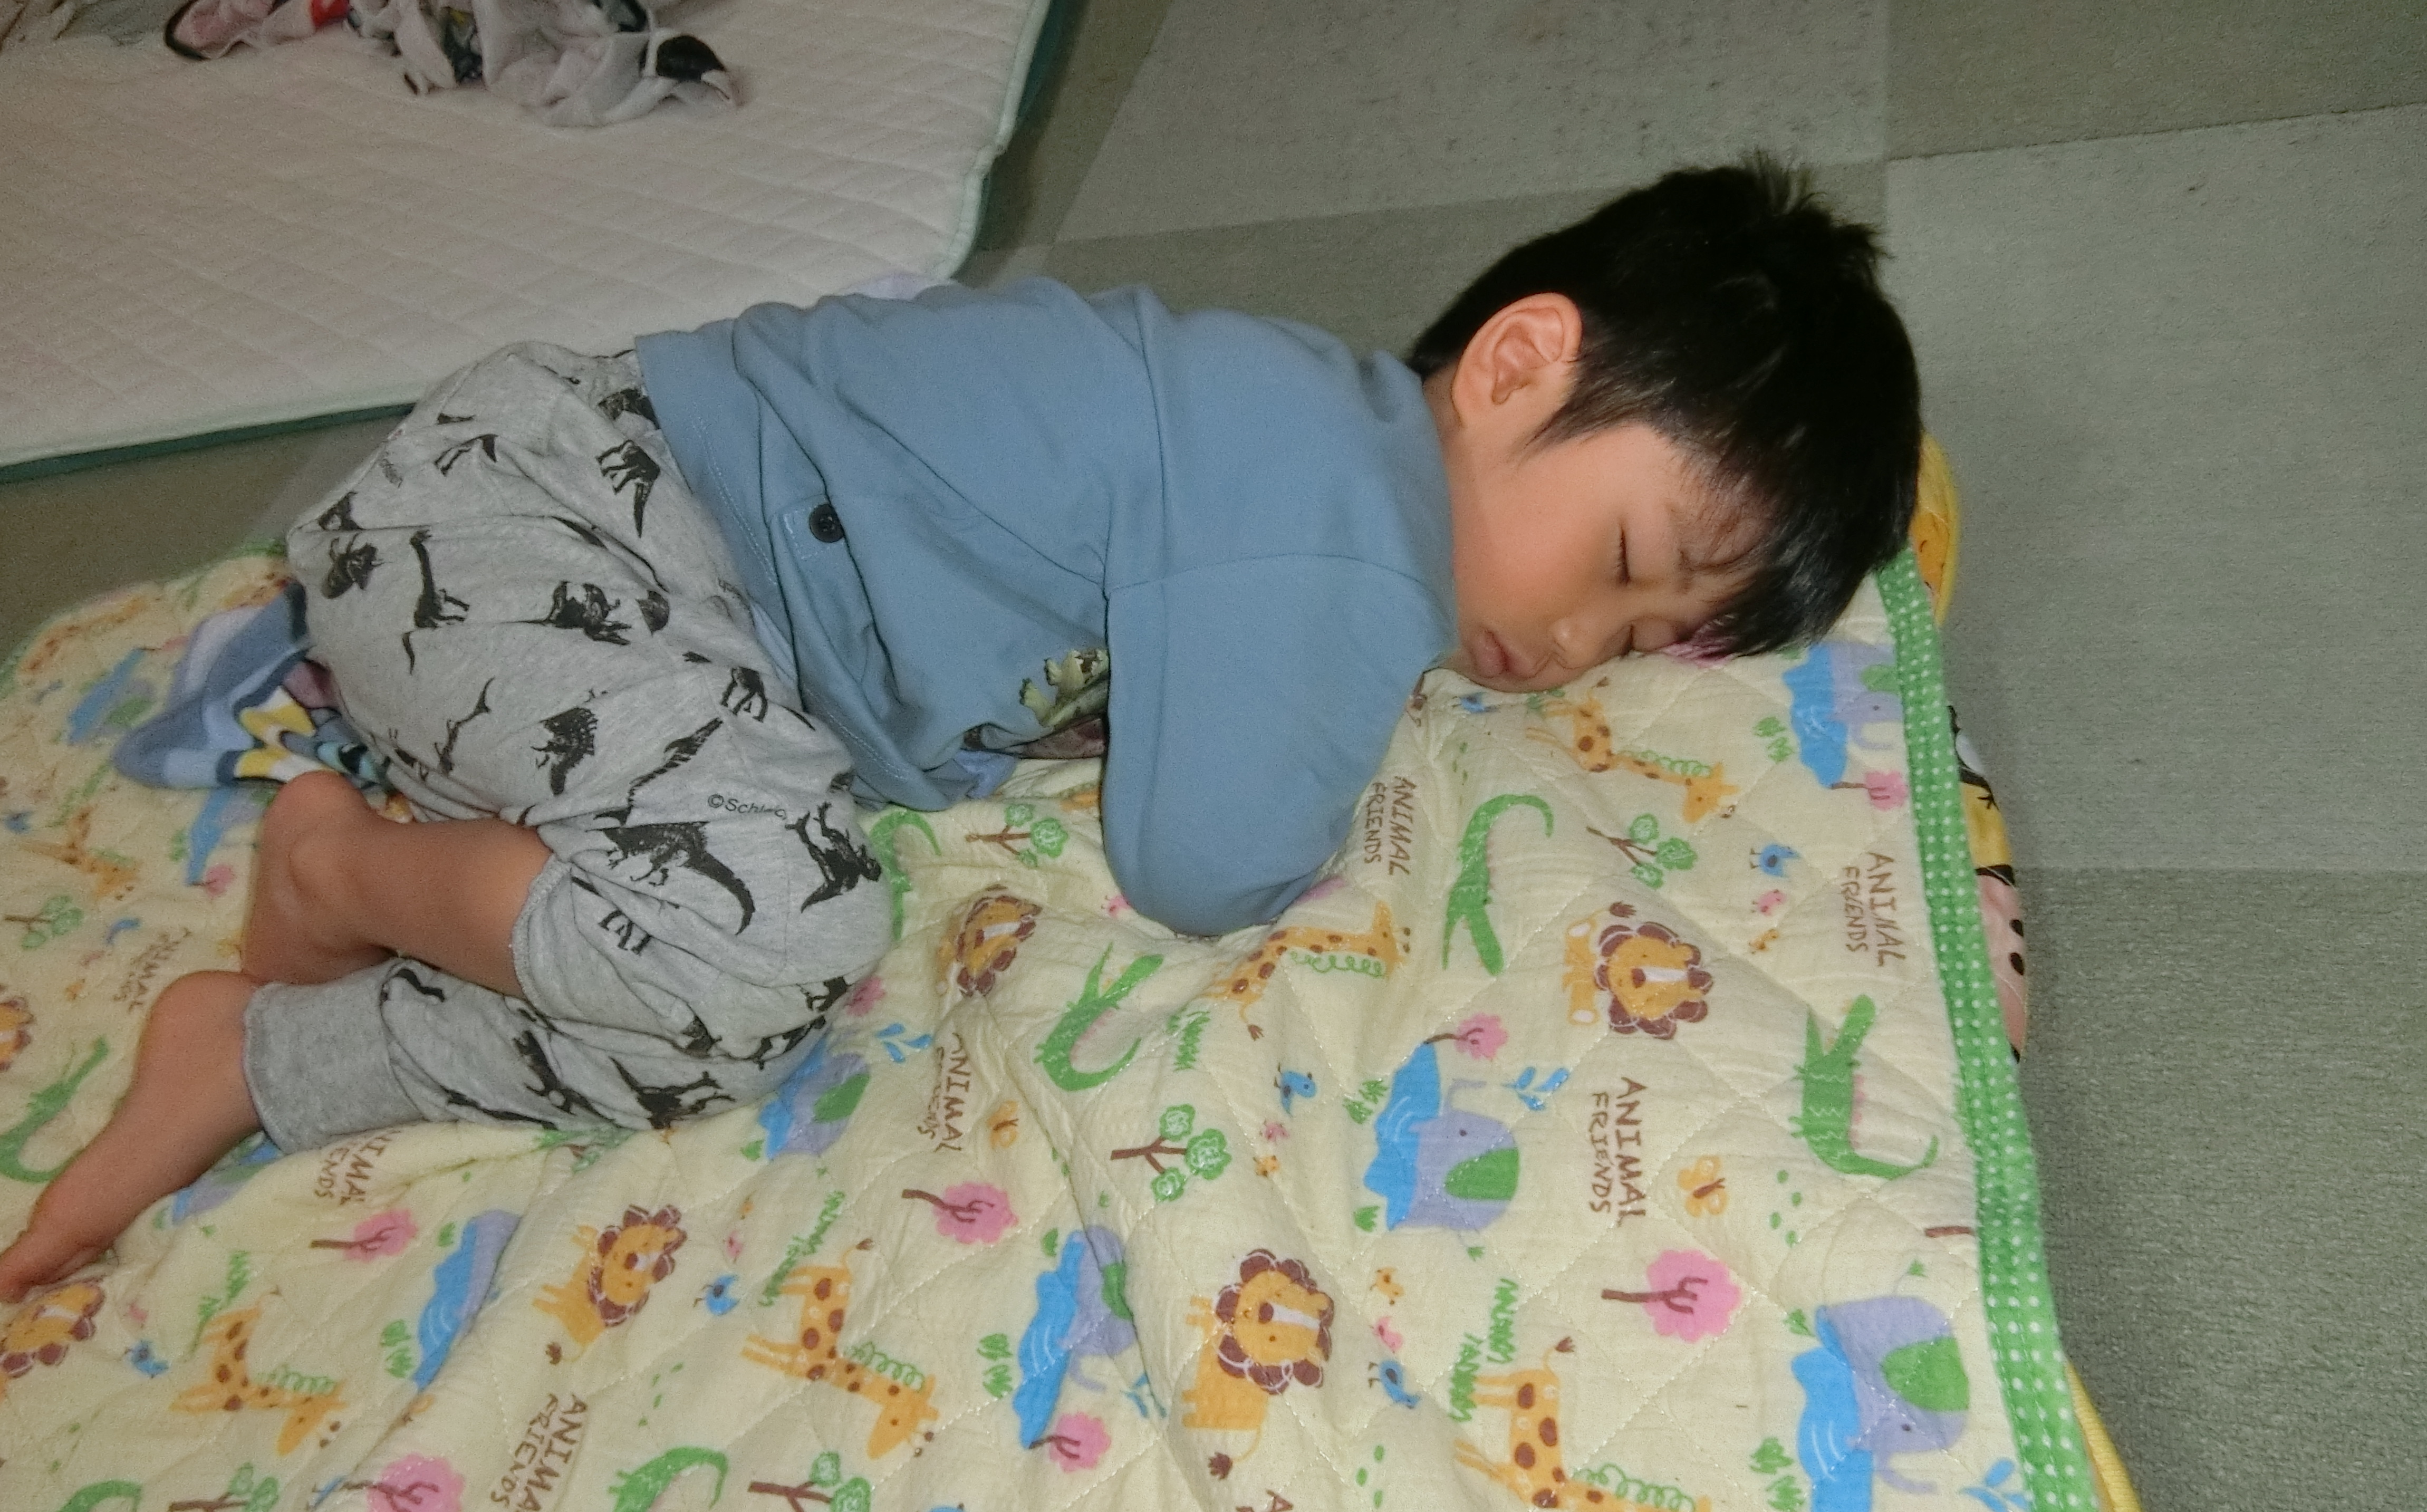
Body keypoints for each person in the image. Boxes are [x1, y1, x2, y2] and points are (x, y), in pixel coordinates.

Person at [0, 157, 1919, 1302]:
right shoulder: (1333, 494)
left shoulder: (1311, 478)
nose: (1574, 649)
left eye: (1638, 643)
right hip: (557, 511)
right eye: (1619, 566)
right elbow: (1209, 863)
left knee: (717, 1015)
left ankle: (268, 1054)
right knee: (779, 924)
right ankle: (337, 868)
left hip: (596, 631)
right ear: (1515, 364)